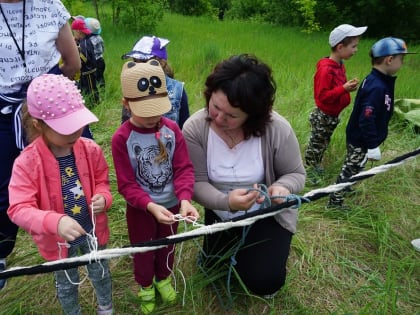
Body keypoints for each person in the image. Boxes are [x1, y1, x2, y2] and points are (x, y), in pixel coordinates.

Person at [182, 54, 306, 297]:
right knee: (213, 270)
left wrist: (282, 188)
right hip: (220, 211)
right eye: (215, 107)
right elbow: (195, 182)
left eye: (231, 116)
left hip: (265, 214)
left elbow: (295, 173)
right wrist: (226, 202)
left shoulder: (277, 129)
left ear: (253, 115)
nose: (218, 118)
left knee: (264, 281)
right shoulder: (195, 128)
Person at [7, 74, 113, 314]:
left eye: (78, 122)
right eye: (66, 128)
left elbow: (103, 183)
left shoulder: (91, 149)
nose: (76, 131)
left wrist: (103, 198)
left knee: (101, 270)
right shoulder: (27, 163)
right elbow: (18, 208)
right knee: (66, 282)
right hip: (58, 242)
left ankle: (106, 306)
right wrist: (55, 221)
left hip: (92, 231)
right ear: (38, 124)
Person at [0, 0, 81, 290]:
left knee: (78, 168)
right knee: (4, 192)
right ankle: (2, 253)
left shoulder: (49, 4)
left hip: (54, 102)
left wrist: (47, 99)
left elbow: (72, 63)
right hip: (5, 111)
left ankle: (82, 237)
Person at [111, 60, 199, 314]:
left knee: (168, 243)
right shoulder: (122, 139)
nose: (152, 117)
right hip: (141, 208)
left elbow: (183, 167)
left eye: (157, 110)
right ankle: (145, 285)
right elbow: (126, 184)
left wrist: (184, 198)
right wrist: (149, 205)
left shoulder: (172, 130)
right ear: (126, 104)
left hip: (171, 204)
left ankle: (163, 278)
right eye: (145, 111)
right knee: (143, 247)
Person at [327, 37, 416, 209]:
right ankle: (334, 202)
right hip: (361, 138)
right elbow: (366, 118)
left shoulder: (379, 80)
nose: (402, 64)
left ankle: (348, 187)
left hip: (362, 138)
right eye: (401, 59)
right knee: (350, 168)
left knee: (357, 165)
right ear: (389, 60)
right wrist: (373, 144)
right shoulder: (377, 87)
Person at [304, 24, 367, 185]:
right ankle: (308, 169)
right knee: (316, 143)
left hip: (333, 115)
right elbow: (322, 96)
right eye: (353, 46)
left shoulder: (339, 65)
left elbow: (336, 88)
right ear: (340, 47)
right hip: (324, 115)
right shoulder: (326, 70)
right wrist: (343, 89)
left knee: (324, 141)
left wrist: (346, 88)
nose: (356, 50)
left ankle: (316, 164)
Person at [121, 35, 190, 128]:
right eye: (135, 61)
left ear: (161, 63)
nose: (139, 66)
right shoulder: (132, 87)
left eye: (144, 61)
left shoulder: (178, 90)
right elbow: (126, 124)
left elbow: (184, 126)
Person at [71, 18, 100, 107]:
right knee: (84, 89)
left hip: (89, 72)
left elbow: (85, 59)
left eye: (74, 32)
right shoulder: (83, 41)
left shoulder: (85, 44)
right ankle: (88, 103)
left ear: (79, 32)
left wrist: (76, 52)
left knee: (91, 89)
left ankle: (95, 104)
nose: (74, 34)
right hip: (84, 72)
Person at [85, 17, 106, 88]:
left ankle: (96, 91)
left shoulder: (89, 40)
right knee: (100, 77)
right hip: (101, 60)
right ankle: (103, 89)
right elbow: (103, 49)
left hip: (94, 61)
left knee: (94, 77)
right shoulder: (100, 38)